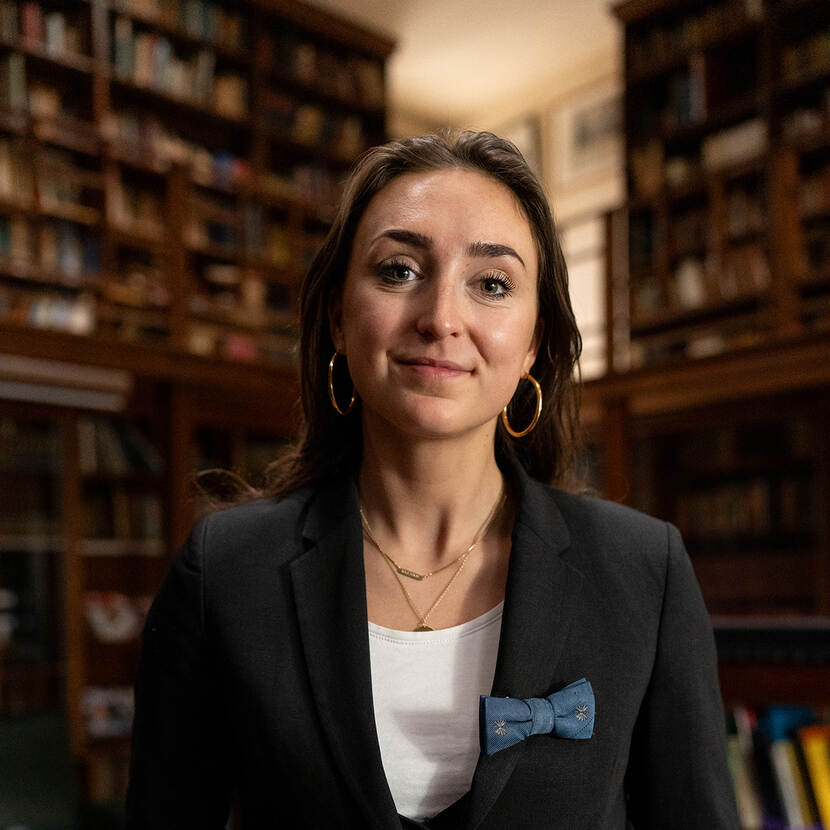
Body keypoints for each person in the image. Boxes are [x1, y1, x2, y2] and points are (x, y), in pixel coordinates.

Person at [126, 130, 739, 829]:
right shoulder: (225, 572)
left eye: (492, 284)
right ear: (335, 313)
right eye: (398, 271)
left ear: (535, 339)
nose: (441, 318)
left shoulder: (643, 573)